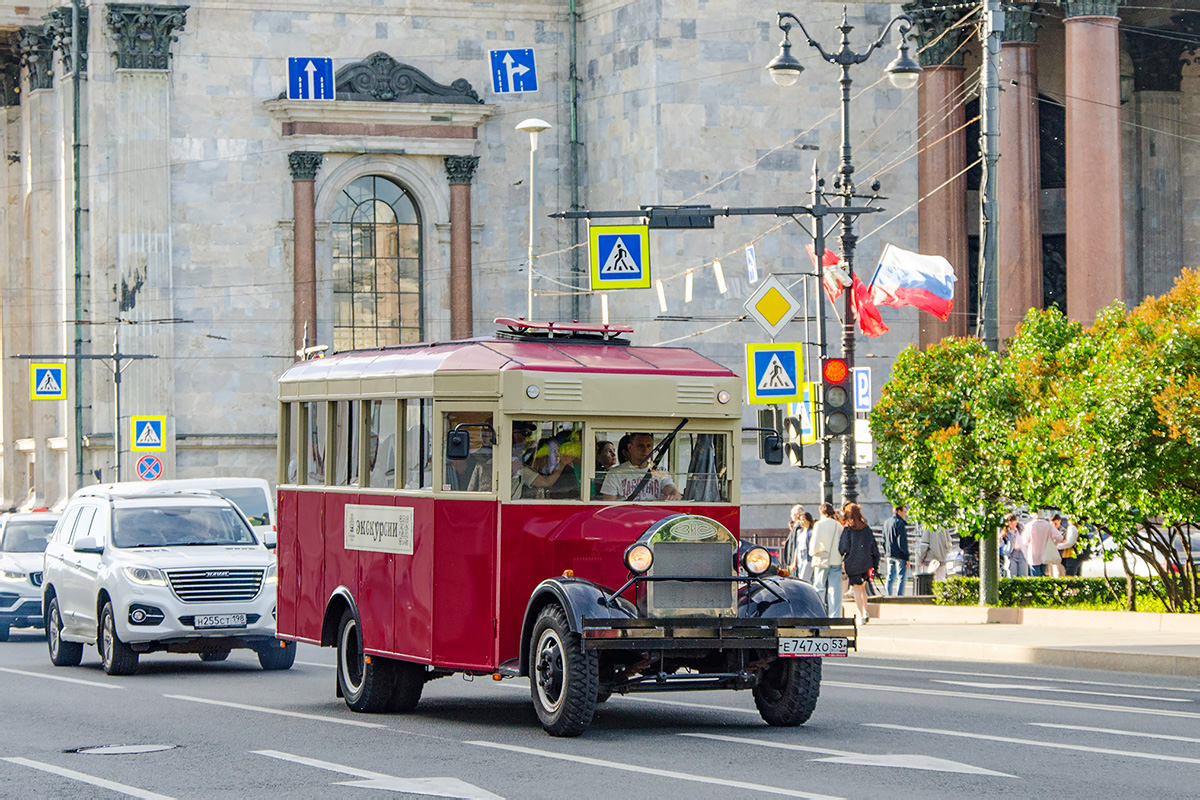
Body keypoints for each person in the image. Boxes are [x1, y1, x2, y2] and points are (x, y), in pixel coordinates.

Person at [600, 433, 682, 501]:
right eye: (640, 446)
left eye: (649, 446)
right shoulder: (615, 473)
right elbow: (608, 504)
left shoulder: (659, 471)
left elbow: (669, 488)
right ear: (630, 447)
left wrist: (674, 493)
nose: (645, 450)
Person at [838, 503, 880, 623]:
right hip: (866, 562)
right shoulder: (866, 528)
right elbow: (874, 547)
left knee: (856, 588)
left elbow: (842, 547)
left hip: (853, 562)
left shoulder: (848, 529)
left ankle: (861, 613)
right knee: (863, 588)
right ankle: (865, 610)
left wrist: (844, 556)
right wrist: (875, 564)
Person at [809, 502, 843, 616]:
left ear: (821, 512)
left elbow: (815, 543)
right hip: (836, 559)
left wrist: (812, 552)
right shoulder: (838, 525)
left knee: (819, 587)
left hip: (822, 559)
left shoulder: (819, 524)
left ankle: (819, 614)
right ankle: (835, 616)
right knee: (835, 590)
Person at [883, 504, 910, 596]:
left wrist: (886, 551)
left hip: (889, 553)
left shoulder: (886, 522)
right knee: (901, 577)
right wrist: (906, 556)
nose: (905, 514)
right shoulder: (900, 523)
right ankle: (899, 597)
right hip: (900, 555)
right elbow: (902, 541)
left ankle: (888, 595)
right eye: (904, 512)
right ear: (899, 511)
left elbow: (884, 539)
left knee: (890, 576)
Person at [1001, 513, 1029, 577]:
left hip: (1022, 552)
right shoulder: (1005, 531)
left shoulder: (1021, 527)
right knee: (1012, 573)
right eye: (1011, 524)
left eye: (1015, 524)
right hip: (1012, 553)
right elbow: (1001, 544)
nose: (1013, 526)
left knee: (1023, 574)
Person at [781, 505, 804, 575]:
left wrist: (794, 562)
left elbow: (797, 545)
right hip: (793, 561)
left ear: (797, 514)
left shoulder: (799, 527)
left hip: (796, 562)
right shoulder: (796, 527)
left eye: (792, 514)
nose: (791, 516)